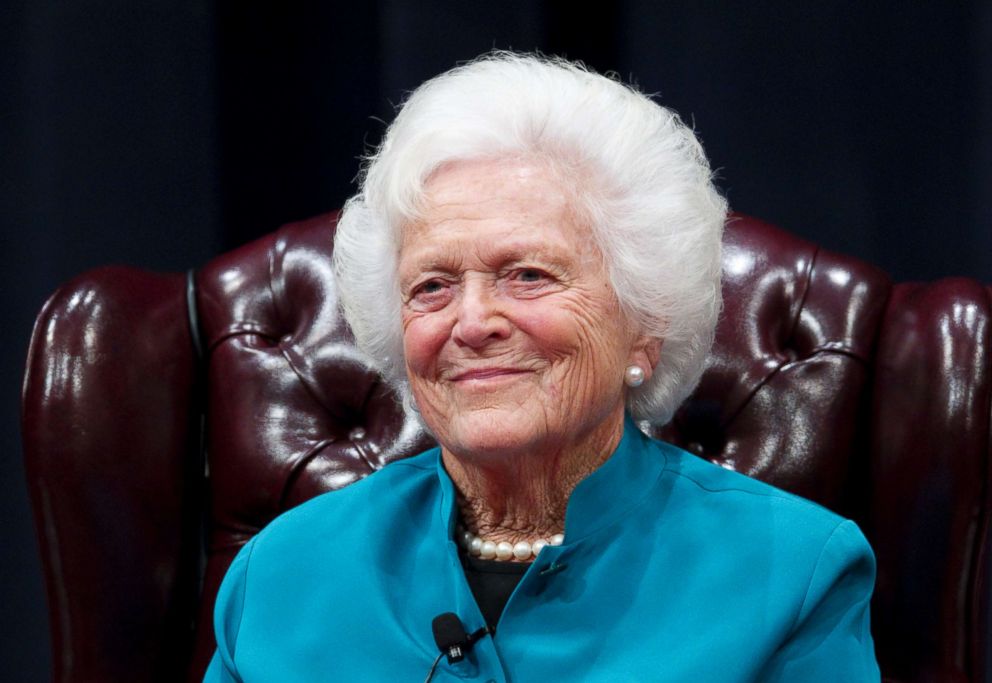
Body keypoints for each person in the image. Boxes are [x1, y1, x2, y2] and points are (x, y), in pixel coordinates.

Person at [204, 52, 880, 681]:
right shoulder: (280, 573)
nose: (471, 322)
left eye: (528, 274)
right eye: (432, 286)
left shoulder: (793, 573)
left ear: (645, 324)